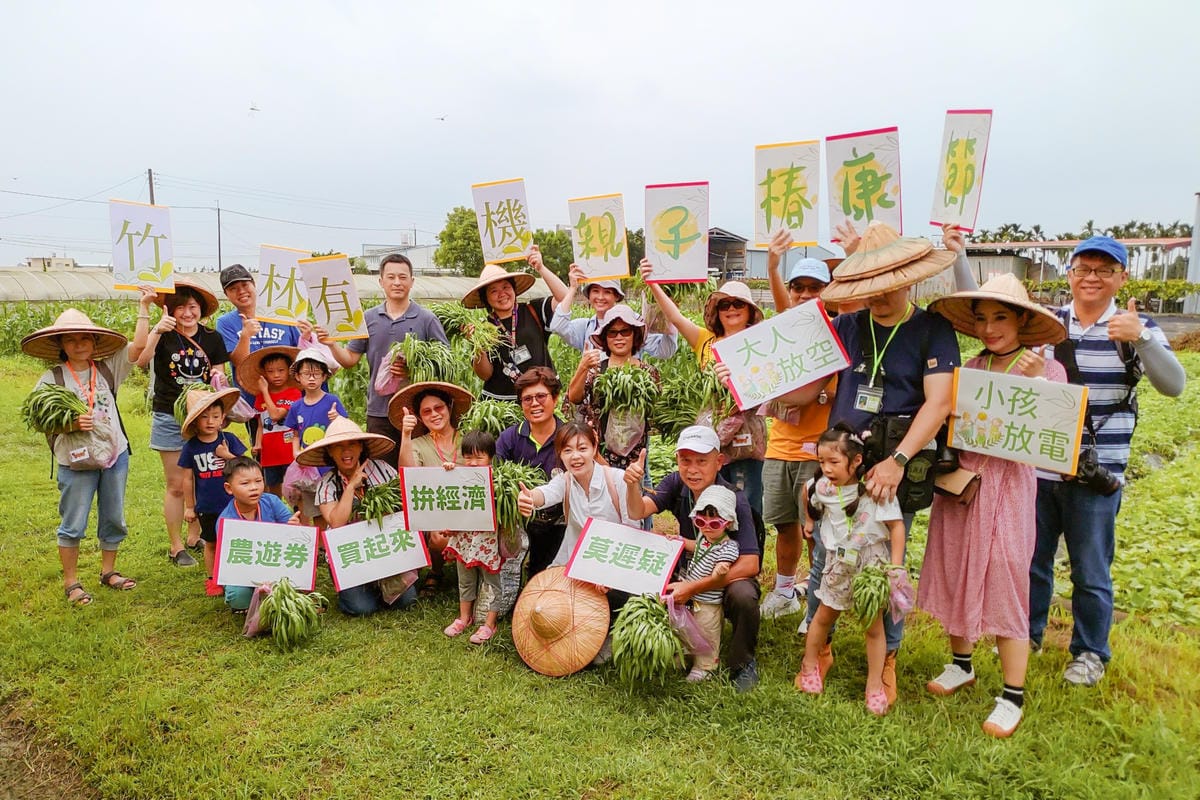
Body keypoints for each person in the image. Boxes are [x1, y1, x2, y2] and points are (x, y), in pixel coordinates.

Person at [1029, 236, 1185, 687]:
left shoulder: (1136, 325)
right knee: (1031, 561)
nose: (1091, 277)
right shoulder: (1048, 324)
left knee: (1091, 569)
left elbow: (1174, 387)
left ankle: (1090, 652)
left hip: (1097, 474)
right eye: (1083, 269)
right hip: (1040, 467)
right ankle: (1029, 635)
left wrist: (1143, 341)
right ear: (1070, 274)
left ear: (1121, 277)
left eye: (1103, 270)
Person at [920, 274, 1070, 737]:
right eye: (982, 319)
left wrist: (1035, 384)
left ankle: (1012, 694)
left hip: (1010, 488)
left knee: (1007, 577)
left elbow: (1055, 434)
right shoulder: (969, 367)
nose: (989, 328)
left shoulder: (1047, 369)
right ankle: (961, 663)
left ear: (1023, 320)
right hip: (964, 485)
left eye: (1001, 317)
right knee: (955, 567)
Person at [624, 425, 762, 692]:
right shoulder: (677, 482)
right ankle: (665, 646)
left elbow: (750, 564)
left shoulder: (734, 498)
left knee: (743, 595)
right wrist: (632, 486)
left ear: (719, 461)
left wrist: (695, 588)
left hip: (727, 570)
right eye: (685, 460)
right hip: (692, 565)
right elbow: (637, 511)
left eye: (702, 461)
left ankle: (743, 662)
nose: (693, 469)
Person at [22, 309, 136, 605]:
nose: (79, 345)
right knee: (73, 521)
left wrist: (146, 309)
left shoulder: (108, 370)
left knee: (114, 516)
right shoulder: (52, 377)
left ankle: (108, 572)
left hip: (114, 456)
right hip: (75, 460)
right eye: (70, 340)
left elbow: (137, 349)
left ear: (95, 342)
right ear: (61, 344)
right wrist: (70, 424)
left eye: (85, 338)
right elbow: (36, 420)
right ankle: (71, 582)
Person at [640, 258, 768, 514]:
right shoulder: (706, 341)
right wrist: (652, 283)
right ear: (717, 311)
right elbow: (674, 317)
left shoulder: (760, 341)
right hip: (712, 432)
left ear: (750, 310)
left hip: (746, 438)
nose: (731, 309)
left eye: (738, 304)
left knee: (747, 504)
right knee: (712, 502)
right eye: (725, 305)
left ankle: (749, 550)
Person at [795, 425, 905, 716]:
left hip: (871, 565)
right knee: (823, 616)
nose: (826, 468)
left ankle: (874, 685)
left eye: (833, 462)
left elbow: (897, 527)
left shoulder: (875, 490)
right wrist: (809, 523)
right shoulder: (822, 487)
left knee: (874, 626)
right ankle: (809, 667)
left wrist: (895, 568)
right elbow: (807, 494)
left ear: (856, 460)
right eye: (821, 462)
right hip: (838, 563)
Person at [757, 229, 838, 621]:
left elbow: (835, 393)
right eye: (798, 288)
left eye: (815, 288)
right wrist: (773, 264)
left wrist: (815, 395)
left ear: (828, 292)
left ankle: (816, 600)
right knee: (784, 525)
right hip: (779, 448)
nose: (806, 296)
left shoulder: (838, 336)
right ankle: (784, 590)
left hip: (818, 449)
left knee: (816, 530)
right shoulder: (782, 336)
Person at [130, 281, 230, 567]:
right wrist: (155, 331)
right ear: (171, 310)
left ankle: (194, 536)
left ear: (201, 310)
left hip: (203, 416)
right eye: (181, 307)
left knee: (204, 477)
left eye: (193, 307)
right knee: (176, 484)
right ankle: (176, 546)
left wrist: (216, 384)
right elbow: (140, 362)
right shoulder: (163, 334)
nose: (187, 313)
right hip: (168, 415)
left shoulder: (212, 338)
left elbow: (218, 377)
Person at [317, 253, 449, 460]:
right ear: (381, 281)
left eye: (403, 277)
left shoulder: (426, 319)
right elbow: (350, 359)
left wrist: (414, 369)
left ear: (412, 281)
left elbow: (445, 364)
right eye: (391, 277)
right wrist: (332, 344)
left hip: (416, 412)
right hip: (379, 411)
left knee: (417, 470)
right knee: (382, 473)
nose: (397, 282)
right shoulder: (368, 318)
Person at [299, 416, 418, 616]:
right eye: (338, 446)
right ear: (329, 451)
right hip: (352, 555)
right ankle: (360, 588)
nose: (346, 451)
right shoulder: (327, 483)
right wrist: (351, 486)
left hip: (384, 549)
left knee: (407, 601)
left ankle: (381, 582)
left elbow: (402, 502)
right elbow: (336, 523)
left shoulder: (381, 469)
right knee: (362, 608)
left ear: (361, 446)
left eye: (352, 444)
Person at [516, 421, 637, 569]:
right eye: (567, 451)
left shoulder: (618, 480)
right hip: (574, 567)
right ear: (560, 454)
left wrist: (610, 575)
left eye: (582, 448)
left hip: (616, 567)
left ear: (594, 449)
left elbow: (632, 531)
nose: (575, 456)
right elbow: (546, 493)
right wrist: (529, 497)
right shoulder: (565, 481)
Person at [392, 380, 474, 595]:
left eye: (439, 408)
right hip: (437, 513)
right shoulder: (418, 444)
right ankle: (437, 570)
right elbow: (408, 476)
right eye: (426, 411)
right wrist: (406, 435)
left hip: (469, 508)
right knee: (438, 537)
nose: (434, 414)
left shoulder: (467, 438)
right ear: (419, 417)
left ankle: (475, 570)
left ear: (449, 408)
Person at [465, 246, 572, 401]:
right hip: (503, 404)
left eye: (506, 287)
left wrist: (541, 268)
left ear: (514, 289)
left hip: (541, 398)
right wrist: (478, 347)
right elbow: (485, 374)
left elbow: (564, 298)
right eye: (493, 291)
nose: (502, 294)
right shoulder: (482, 328)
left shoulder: (532, 310)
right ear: (485, 298)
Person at [566, 304, 661, 471]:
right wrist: (582, 367)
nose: (619, 337)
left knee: (629, 495)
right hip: (598, 453)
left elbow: (656, 414)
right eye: (612, 333)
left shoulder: (648, 373)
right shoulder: (596, 370)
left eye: (625, 331)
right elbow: (574, 397)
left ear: (634, 336)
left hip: (634, 456)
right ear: (605, 338)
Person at [214, 263, 300, 442]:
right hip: (255, 401)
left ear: (254, 284)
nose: (241, 291)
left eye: (245, 285)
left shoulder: (282, 315)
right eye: (233, 288)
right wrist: (245, 336)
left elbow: (301, 354)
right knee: (263, 453)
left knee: (296, 449)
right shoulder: (226, 323)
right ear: (226, 294)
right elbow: (238, 362)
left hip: (291, 398)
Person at [496, 367, 566, 578]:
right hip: (519, 520)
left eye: (541, 396)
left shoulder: (569, 437)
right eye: (527, 399)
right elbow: (495, 478)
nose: (534, 403)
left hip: (559, 521)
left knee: (547, 575)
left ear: (555, 399)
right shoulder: (510, 437)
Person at [177, 387, 247, 596]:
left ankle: (238, 575)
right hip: (207, 507)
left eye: (215, 416)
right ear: (195, 420)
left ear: (223, 418)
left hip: (233, 503)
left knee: (236, 541)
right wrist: (190, 507)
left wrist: (226, 455)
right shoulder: (191, 447)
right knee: (212, 542)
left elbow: (245, 468)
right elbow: (187, 479)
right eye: (204, 417)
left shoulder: (229, 440)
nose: (210, 422)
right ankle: (213, 579)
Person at [440, 430, 504, 644]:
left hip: (488, 543)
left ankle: (489, 624)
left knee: (492, 584)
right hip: (464, 541)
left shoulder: (499, 481)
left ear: (490, 458)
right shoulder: (459, 476)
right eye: (468, 457)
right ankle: (464, 618)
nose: (473, 463)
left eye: (479, 457)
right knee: (465, 580)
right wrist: (450, 470)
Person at [672, 485, 741, 683]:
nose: (707, 527)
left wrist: (721, 568)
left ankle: (706, 665)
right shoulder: (704, 537)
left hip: (709, 602)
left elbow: (725, 562)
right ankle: (687, 655)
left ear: (727, 523)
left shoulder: (728, 546)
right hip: (693, 597)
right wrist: (680, 541)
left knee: (707, 632)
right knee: (687, 628)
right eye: (701, 521)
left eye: (714, 523)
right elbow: (695, 546)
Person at [219, 457, 302, 613]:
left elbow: (291, 532)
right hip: (243, 569)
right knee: (239, 597)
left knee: (296, 584)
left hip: (275, 560)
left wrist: (293, 526)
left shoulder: (271, 501)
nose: (254, 488)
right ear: (229, 488)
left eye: (258, 481)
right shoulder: (226, 521)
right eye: (245, 483)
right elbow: (231, 561)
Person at [549, 268, 678, 359]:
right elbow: (558, 326)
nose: (600, 297)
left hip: (627, 394)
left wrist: (669, 318)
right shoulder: (586, 327)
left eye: (607, 292)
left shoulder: (635, 324)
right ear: (588, 295)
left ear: (616, 296)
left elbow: (665, 352)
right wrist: (572, 288)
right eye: (595, 291)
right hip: (594, 395)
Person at [283, 348, 348, 525]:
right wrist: (296, 452)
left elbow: (347, 427)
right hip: (309, 463)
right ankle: (319, 547)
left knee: (334, 501)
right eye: (306, 374)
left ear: (324, 376)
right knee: (313, 507)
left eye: (316, 374)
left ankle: (333, 541)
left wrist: (338, 418)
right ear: (298, 377)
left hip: (330, 462)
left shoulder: (331, 401)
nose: (311, 378)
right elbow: (294, 432)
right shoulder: (296, 407)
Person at [237, 345, 301, 497]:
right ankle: (276, 519)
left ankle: (299, 519)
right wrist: (257, 444)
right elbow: (261, 424)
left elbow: (275, 415)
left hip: (289, 451)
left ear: (289, 371)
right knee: (273, 490)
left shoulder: (294, 393)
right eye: (270, 372)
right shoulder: (260, 398)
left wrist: (265, 391)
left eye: (281, 370)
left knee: (296, 491)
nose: (276, 375)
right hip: (269, 453)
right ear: (264, 374)